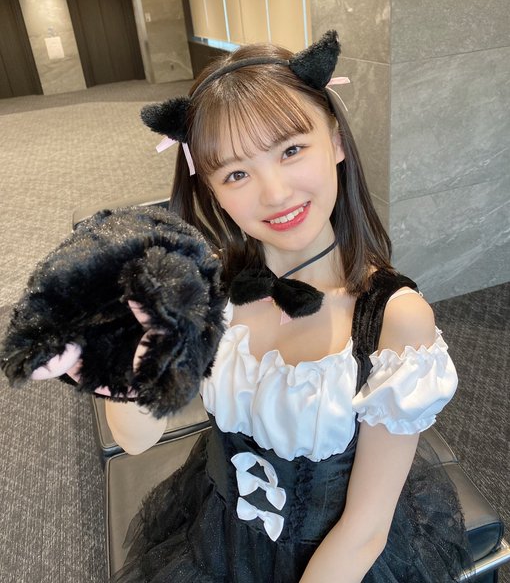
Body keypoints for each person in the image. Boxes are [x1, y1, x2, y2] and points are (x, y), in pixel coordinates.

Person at [105, 31, 472, 582]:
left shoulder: (395, 320)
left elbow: (365, 529)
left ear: (337, 142)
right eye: (236, 173)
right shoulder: (208, 289)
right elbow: (135, 438)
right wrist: (144, 331)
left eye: (291, 150)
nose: (274, 193)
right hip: (215, 533)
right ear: (210, 189)